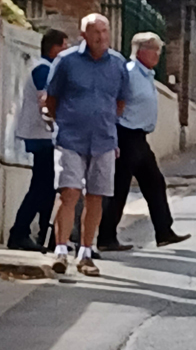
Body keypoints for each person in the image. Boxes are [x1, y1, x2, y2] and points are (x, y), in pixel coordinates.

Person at [45, 14, 130, 277]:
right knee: (69, 193)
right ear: (84, 35)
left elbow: (120, 102)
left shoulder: (118, 64)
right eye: (96, 33)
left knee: (97, 197)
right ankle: (61, 250)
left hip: (103, 140)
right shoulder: (66, 62)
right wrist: (66, 122)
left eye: (105, 32)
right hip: (71, 138)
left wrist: (104, 123)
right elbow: (51, 99)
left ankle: (85, 253)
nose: (101, 38)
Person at [98, 32, 191, 253]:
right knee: (119, 188)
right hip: (125, 134)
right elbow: (115, 101)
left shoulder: (147, 75)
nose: (158, 54)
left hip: (139, 137)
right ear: (140, 51)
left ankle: (164, 231)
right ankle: (106, 237)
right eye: (154, 49)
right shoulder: (129, 73)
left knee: (155, 182)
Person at [8, 28, 68, 251]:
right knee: (41, 186)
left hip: (44, 135)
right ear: (54, 48)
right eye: (64, 46)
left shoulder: (45, 67)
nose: (66, 51)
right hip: (42, 135)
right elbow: (47, 100)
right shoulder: (44, 69)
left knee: (47, 186)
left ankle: (45, 234)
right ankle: (20, 232)